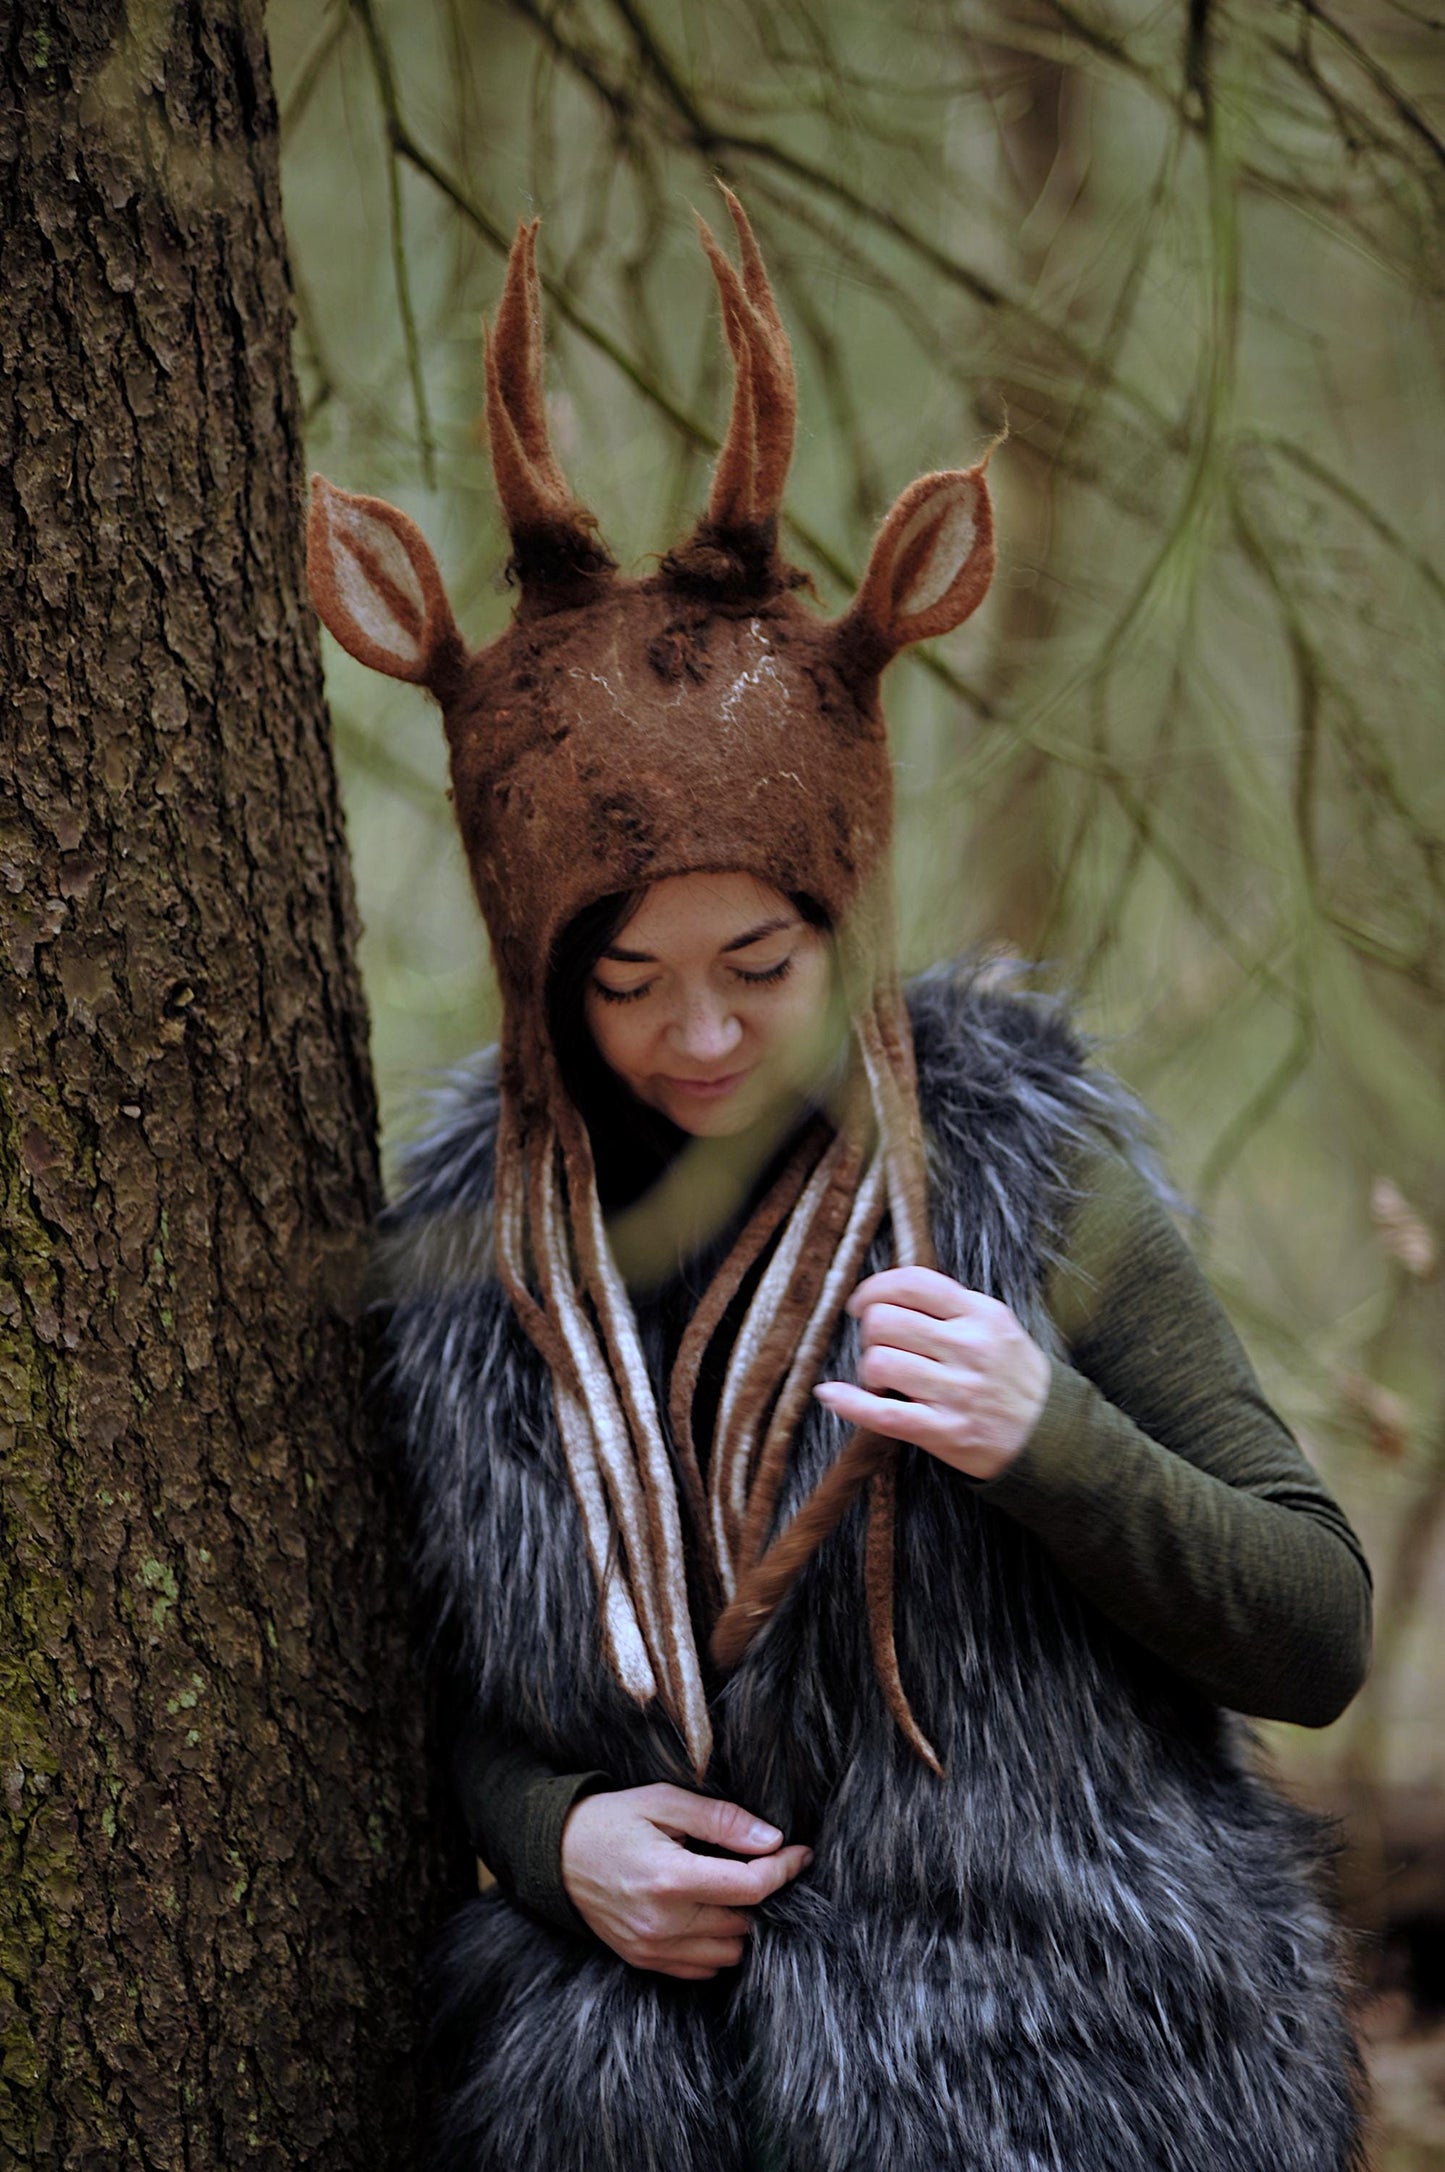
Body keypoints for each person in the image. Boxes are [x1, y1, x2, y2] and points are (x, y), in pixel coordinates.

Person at [307, 192, 1372, 2172]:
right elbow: (421, 1707)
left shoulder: (1018, 1164)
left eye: (761, 971)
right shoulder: (470, 1267)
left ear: (847, 932)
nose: (696, 1037)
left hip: (1062, 2056)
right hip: (645, 2089)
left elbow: (1315, 1628)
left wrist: (1049, 1436)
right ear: (548, 977)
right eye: (624, 983)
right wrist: (557, 1841)